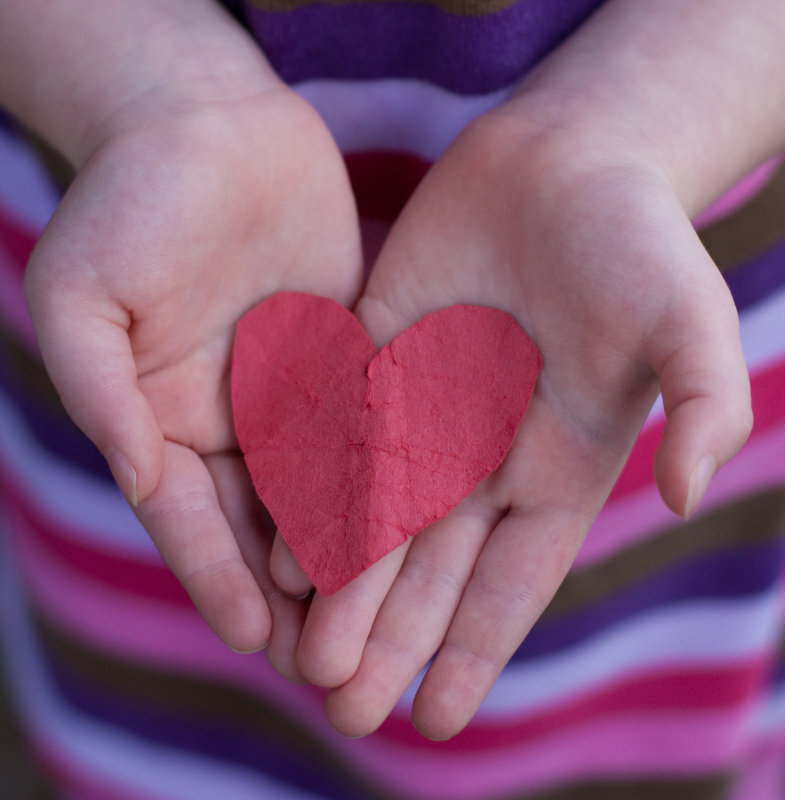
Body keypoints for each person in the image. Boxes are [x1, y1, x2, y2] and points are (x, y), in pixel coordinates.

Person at [1, 0, 784, 796]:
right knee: (174, 604)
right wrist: (137, 94)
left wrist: (637, 123)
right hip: (161, 259)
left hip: (629, 259)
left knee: (593, 662)